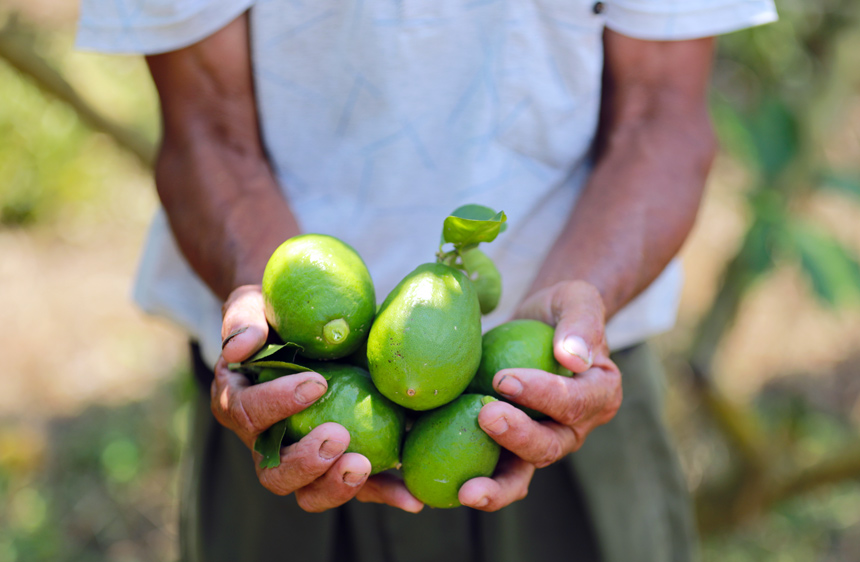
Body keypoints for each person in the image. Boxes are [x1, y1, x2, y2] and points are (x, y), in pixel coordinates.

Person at [77, 1, 777, 560]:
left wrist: (581, 299)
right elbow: (205, 129)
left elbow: (662, 118)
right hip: (293, 397)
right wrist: (261, 301)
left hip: (563, 386)